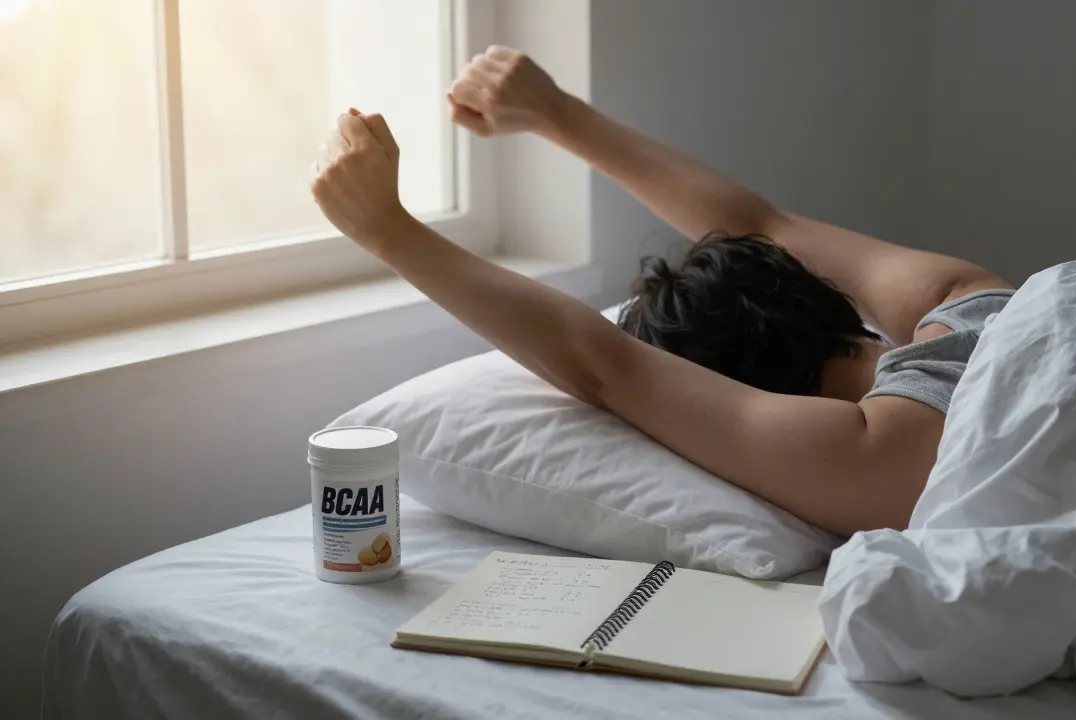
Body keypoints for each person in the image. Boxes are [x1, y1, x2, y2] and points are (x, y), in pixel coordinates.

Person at [310, 47, 1013, 537]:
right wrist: (554, 110)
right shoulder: (971, 303)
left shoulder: (870, 453)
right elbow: (764, 226)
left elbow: (605, 367)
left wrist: (388, 232)